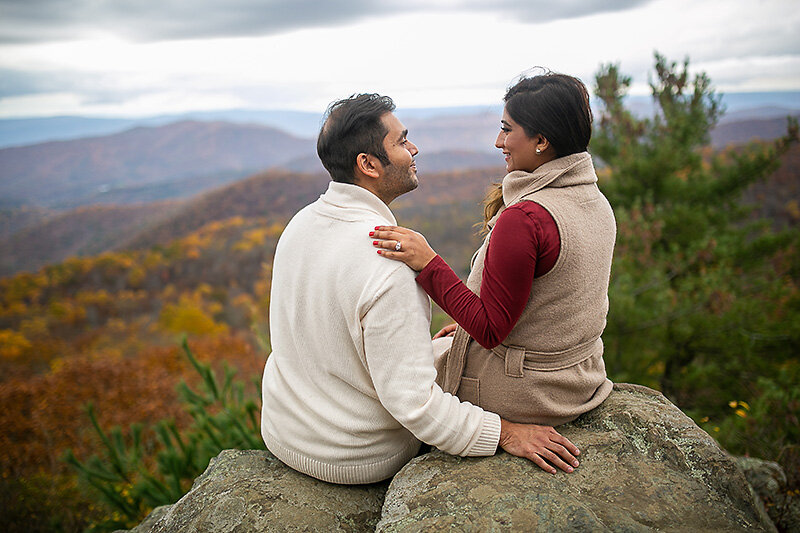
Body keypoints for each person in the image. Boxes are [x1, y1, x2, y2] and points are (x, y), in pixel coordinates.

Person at [260, 93, 581, 485]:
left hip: (285, 432)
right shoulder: (391, 263)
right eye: (401, 141)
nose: (414, 149)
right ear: (368, 164)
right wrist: (507, 432)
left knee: (443, 347)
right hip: (355, 454)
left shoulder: (301, 224)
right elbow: (416, 407)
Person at [371, 71, 616, 426]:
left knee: (388, 373)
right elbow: (558, 302)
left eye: (507, 128)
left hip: (526, 391)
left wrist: (428, 263)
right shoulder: (592, 199)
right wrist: (467, 321)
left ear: (541, 141)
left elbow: (489, 330)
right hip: (578, 378)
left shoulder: (526, 218)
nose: (498, 141)